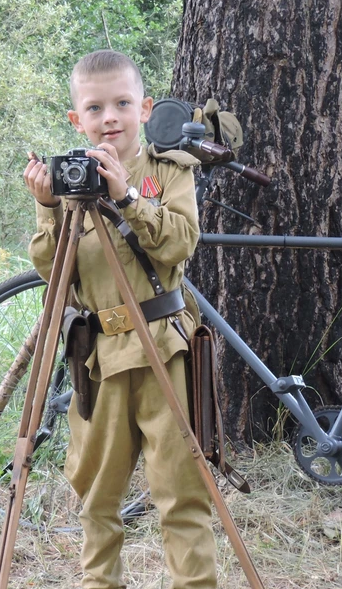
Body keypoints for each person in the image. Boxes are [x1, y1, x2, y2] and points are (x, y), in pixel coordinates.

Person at [22, 49, 217, 589]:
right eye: (95, 108)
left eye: (123, 104)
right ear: (76, 119)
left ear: (145, 108)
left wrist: (128, 197)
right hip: (100, 357)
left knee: (181, 492)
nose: (110, 118)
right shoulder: (68, 185)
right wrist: (47, 206)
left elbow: (179, 243)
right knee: (97, 495)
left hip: (165, 350)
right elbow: (55, 276)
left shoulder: (168, 172)